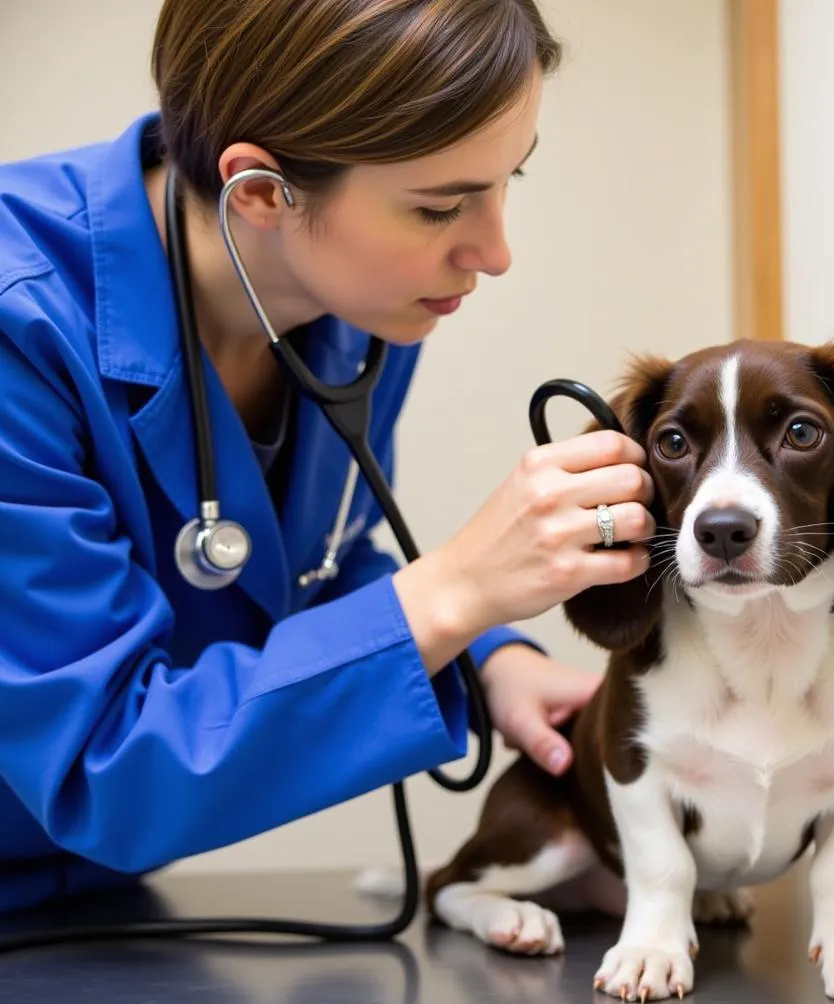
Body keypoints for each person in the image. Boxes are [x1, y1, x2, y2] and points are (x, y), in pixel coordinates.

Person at [0, 0, 655, 916]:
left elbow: (305, 561)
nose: (494, 252)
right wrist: (458, 589)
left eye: (508, 180)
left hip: (101, 905)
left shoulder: (355, 306)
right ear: (261, 194)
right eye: (438, 206)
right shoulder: (19, 322)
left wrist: (488, 655)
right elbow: (98, 761)